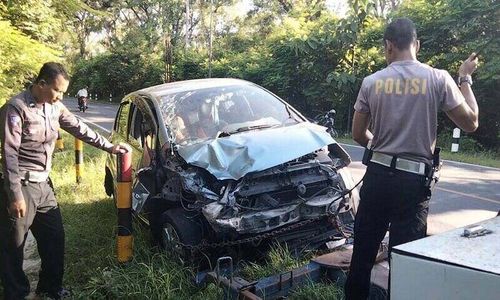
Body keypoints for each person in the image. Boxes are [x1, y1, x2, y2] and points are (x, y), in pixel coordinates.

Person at [344, 18, 479, 299]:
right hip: (413, 182)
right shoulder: (438, 79)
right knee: (406, 263)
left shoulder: (371, 82)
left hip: (377, 178)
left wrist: (382, 149)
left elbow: (358, 134)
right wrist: (464, 78)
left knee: (363, 256)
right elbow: (471, 122)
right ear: (416, 45)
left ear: (388, 46)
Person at [0, 62, 128, 300]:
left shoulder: (54, 108)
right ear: (41, 84)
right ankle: (15, 293)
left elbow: (80, 128)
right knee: (13, 246)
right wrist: (15, 194)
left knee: (55, 238)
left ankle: (50, 287)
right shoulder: (16, 108)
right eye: (57, 91)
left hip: (44, 185)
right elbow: (9, 155)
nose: (60, 96)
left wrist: (109, 146)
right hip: (22, 186)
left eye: (63, 93)